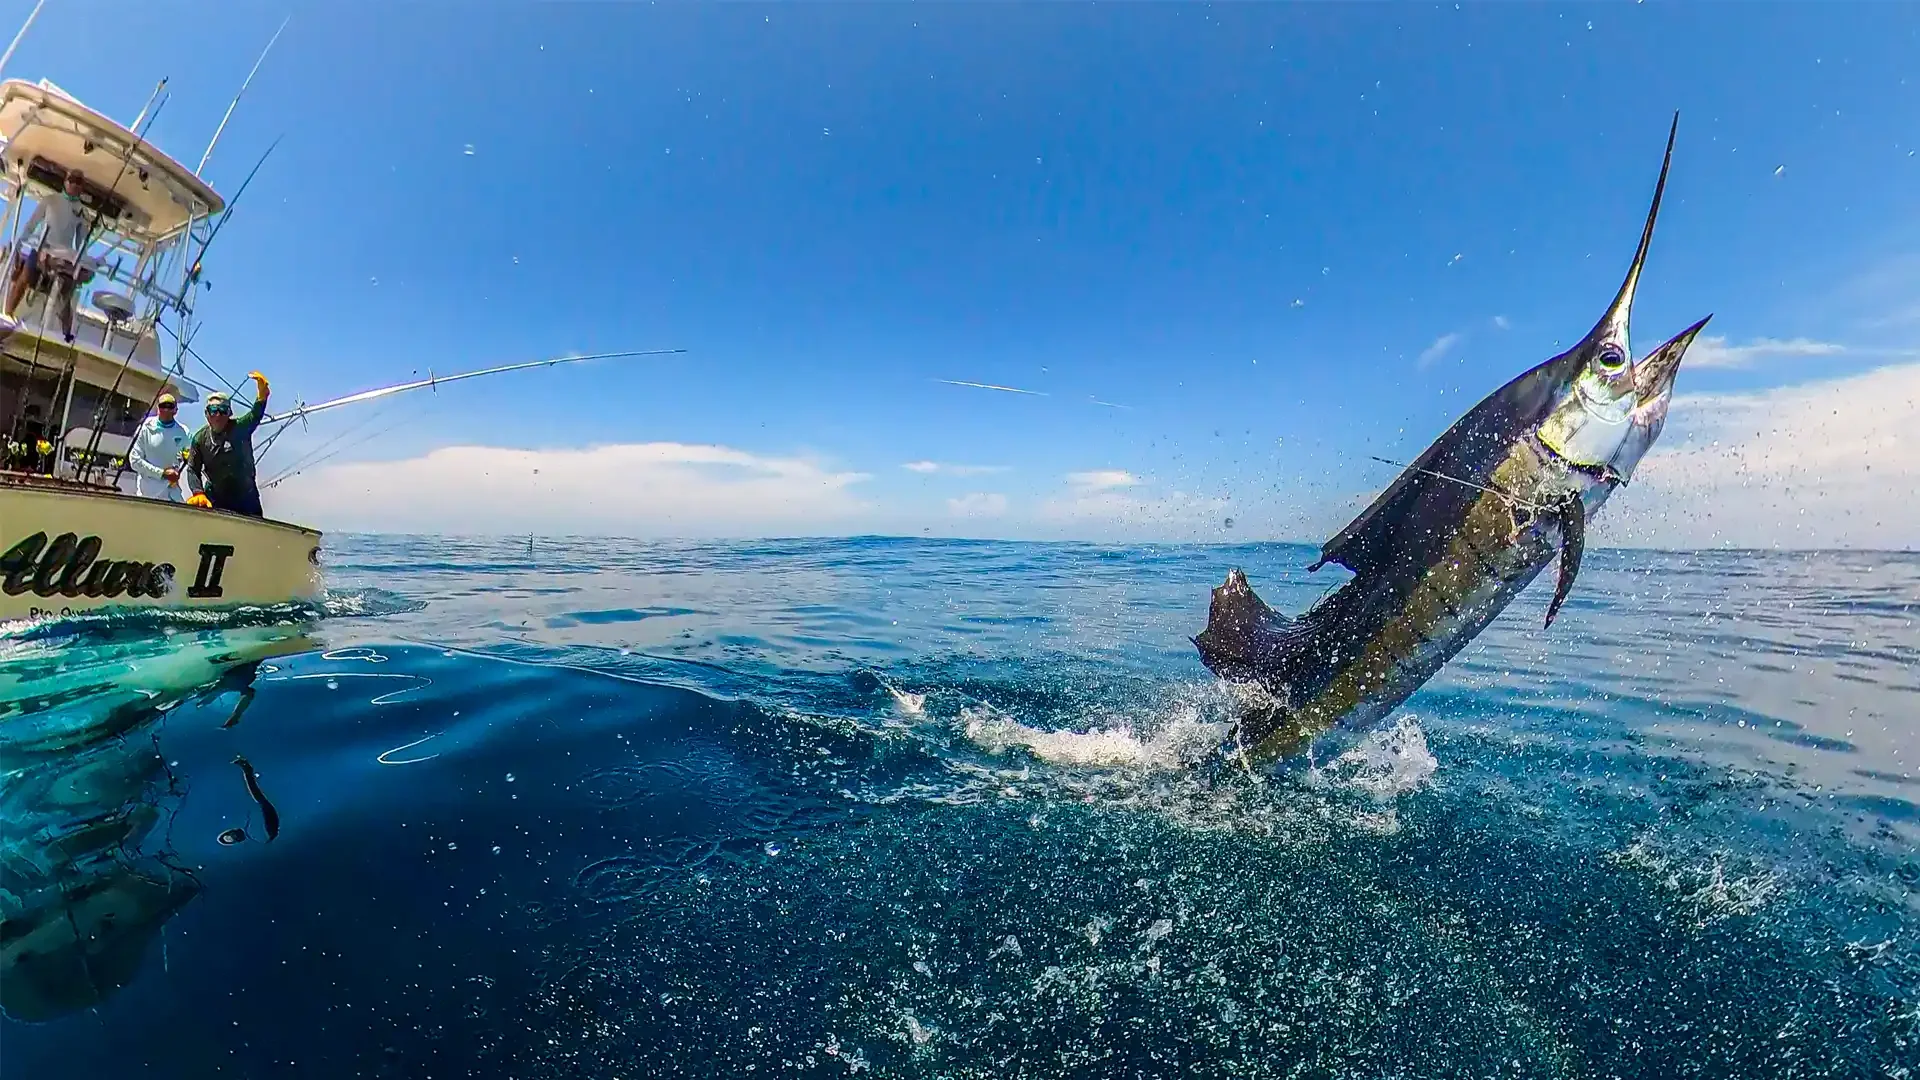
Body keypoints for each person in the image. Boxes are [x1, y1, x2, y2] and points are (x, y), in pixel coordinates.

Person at [4, 169, 95, 343]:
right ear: (65, 181)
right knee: (25, 275)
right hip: (42, 247)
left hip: (63, 256)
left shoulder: (82, 212)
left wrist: (83, 261)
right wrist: (19, 245)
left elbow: (81, 242)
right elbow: (32, 224)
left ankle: (67, 335)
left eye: (78, 181)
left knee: (66, 294)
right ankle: (7, 315)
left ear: (82, 187)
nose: (74, 184)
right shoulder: (50, 200)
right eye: (71, 179)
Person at [186, 371, 270, 517]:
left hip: (246, 499)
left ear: (230, 413)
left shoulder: (240, 427)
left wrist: (262, 397)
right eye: (213, 410)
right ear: (206, 414)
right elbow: (193, 469)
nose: (218, 415)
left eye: (223, 410)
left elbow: (254, 416)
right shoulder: (199, 439)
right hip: (216, 499)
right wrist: (198, 492)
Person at [127, 393, 196, 501]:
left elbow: (192, 460)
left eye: (170, 406)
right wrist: (162, 473)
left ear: (176, 410)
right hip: (149, 495)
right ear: (158, 408)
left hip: (174, 495)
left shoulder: (184, 432)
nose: (166, 410)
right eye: (163, 406)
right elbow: (134, 461)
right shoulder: (145, 427)